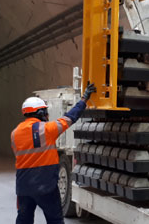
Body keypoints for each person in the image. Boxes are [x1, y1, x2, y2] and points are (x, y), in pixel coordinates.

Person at [10, 83, 96, 224]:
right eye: (45, 111)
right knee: (55, 220)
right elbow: (70, 118)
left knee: (23, 220)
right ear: (40, 113)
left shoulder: (14, 133)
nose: (47, 115)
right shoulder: (47, 129)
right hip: (45, 185)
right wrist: (84, 99)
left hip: (23, 186)